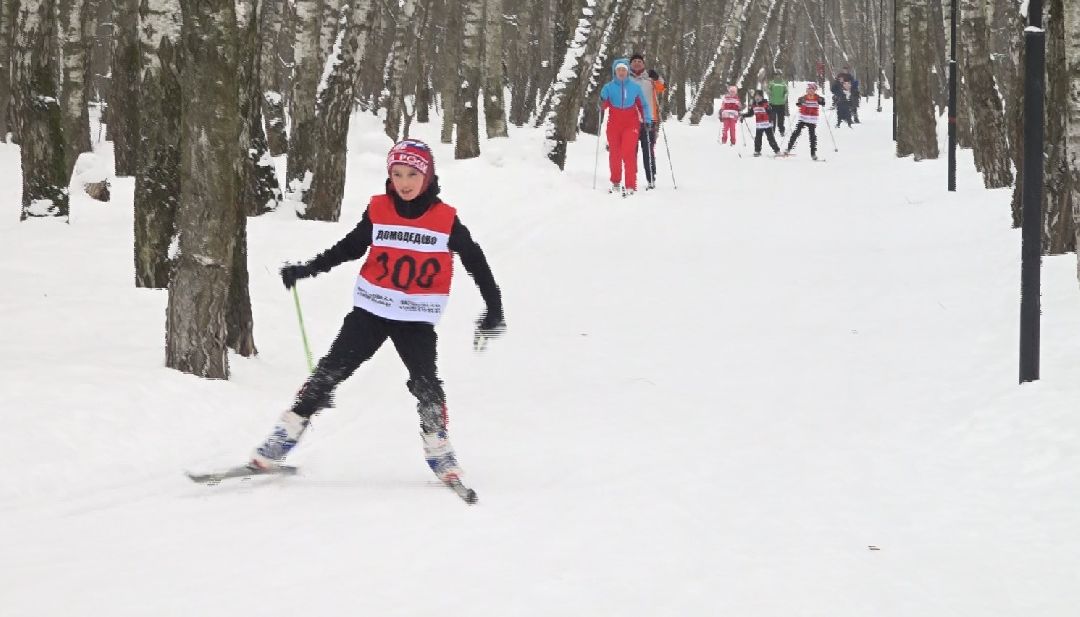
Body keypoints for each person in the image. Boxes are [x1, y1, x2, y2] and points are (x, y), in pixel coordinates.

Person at [249, 139, 506, 487]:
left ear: (427, 176)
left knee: (426, 384)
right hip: (370, 312)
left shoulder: (445, 219)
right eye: (397, 173)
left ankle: (439, 451)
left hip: (416, 319)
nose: (404, 182)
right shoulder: (379, 210)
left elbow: (476, 262)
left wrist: (494, 309)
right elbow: (350, 248)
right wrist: (308, 268)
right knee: (327, 375)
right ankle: (279, 441)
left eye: (413, 174)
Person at [600, 58, 652, 196]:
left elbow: (643, 105)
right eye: (619, 70)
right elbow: (602, 104)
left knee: (628, 153)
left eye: (624, 70)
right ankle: (616, 182)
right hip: (614, 124)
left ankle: (630, 185)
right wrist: (601, 102)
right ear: (615, 72)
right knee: (614, 154)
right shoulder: (608, 87)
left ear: (628, 71)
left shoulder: (635, 88)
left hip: (631, 123)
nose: (621, 72)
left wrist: (647, 119)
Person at [629, 53, 665, 190]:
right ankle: (631, 179)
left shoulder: (650, 79)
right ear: (630, 64)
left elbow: (662, 88)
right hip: (630, 121)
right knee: (631, 151)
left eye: (639, 61)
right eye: (634, 61)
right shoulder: (626, 79)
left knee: (648, 151)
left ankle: (651, 178)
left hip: (649, 120)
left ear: (643, 64)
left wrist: (657, 78)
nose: (637, 63)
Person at [783, 82, 827, 160]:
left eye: (812, 89)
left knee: (812, 137)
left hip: (812, 120)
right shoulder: (804, 97)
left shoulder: (817, 97)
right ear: (807, 90)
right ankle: (788, 149)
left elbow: (823, 102)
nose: (810, 90)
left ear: (815, 90)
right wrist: (800, 102)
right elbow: (798, 103)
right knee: (796, 133)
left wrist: (822, 101)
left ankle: (813, 153)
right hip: (803, 118)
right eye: (809, 89)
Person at [742, 89, 781, 157]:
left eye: (759, 96)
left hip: (767, 125)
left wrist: (771, 119)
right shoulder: (754, 105)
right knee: (758, 139)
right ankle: (757, 151)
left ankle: (777, 151)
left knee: (771, 138)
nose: (757, 98)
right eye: (756, 96)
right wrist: (743, 115)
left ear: (762, 97)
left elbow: (771, 113)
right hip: (759, 125)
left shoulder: (765, 104)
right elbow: (751, 113)